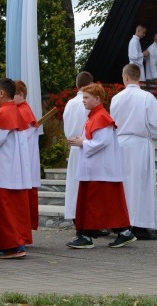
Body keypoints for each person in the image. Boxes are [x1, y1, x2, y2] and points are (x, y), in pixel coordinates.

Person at [66, 83, 135, 249]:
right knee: (104, 203)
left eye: (86, 97)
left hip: (100, 169)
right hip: (96, 169)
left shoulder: (101, 117)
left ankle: (88, 236)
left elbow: (102, 141)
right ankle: (123, 232)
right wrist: (81, 141)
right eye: (83, 97)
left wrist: (82, 142)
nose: (83, 101)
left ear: (97, 99)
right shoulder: (95, 116)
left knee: (96, 203)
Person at [110, 64, 157, 239]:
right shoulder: (146, 97)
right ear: (138, 77)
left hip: (120, 143)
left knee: (124, 185)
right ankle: (140, 226)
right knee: (141, 185)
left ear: (125, 77)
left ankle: (122, 224)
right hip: (140, 144)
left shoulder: (116, 98)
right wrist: (150, 133)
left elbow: (112, 121)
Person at [0, 78, 31, 259]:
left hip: (2, 171)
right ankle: (17, 243)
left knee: (2, 211)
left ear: (2, 93)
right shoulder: (15, 112)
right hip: (13, 170)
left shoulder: (2, 113)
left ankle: (11, 247)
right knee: (14, 210)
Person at [63, 72, 93, 229]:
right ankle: (87, 220)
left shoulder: (70, 103)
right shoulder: (86, 103)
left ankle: (76, 217)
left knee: (74, 185)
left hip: (74, 147)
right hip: (86, 146)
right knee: (85, 185)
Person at [13, 80, 40, 231]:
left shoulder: (23, 112)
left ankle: (21, 231)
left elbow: (18, 137)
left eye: (12, 95)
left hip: (24, 163)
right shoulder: (22, 110)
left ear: (21, 95)